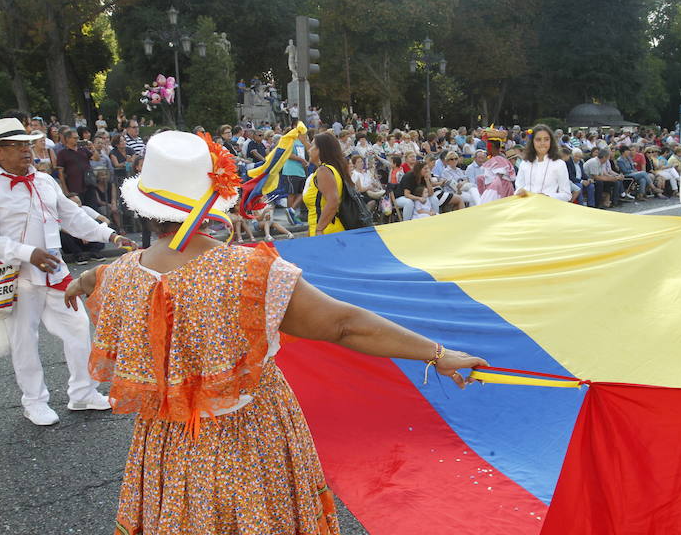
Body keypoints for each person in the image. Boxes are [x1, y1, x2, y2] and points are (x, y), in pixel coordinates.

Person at [63, 130, 486, 535]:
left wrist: (79, 282)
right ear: (213, 199)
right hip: (251, 436)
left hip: (167, 444)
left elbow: (96, 279)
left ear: (142, 207)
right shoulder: (250, 273)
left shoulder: (117, 276)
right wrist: (437, 353)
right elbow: (343, 324)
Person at [0, 118, 137, 425]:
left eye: (27, 144)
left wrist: (110, 236)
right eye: (16, 146)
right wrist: (28, 253)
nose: (26, 151)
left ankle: (83, 393)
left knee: (78, 328)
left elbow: (72, 216)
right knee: (24, 340)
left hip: (55, 274)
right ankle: (34, 401)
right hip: (15, 278)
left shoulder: (44, 180)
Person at [303, 132, 350, 236]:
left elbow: (333, 201)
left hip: (326, 232)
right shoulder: (330, 169)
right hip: (324, 229)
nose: (309, 150)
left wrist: (319, 229)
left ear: (321, 150)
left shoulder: (323, 171)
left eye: (313, 146)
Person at [515, 124, 572, 201]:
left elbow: (566, 195)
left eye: (546, 139)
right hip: (526, 208)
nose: (542, 143)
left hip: (548, 209)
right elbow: (518, 188)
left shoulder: (559, 164)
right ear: (532, 142)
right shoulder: (525, 163)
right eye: (538, 139)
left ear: (551, 141)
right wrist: (520, 192)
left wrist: (547, 197)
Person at [476, 131, 515, 204]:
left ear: (492, 147)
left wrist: (489, 195)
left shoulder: (498, 159)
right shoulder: (496, 158)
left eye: (487, 147)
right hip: (496, 191)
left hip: (500, 192)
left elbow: (498, 179)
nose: (486, 149)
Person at [281, 130, 309, 225]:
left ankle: (291, 210)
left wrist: (304, 162)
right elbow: (288, 154)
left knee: (303, 193)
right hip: (291, 171)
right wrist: (302, 160)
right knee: (292, 193)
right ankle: (291, 214)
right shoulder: (291, 141)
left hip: (300, 171)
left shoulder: (301, 142)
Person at [56, 128, 92, 198]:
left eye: (78, 138)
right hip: (74, 186)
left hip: (88, 184)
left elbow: (96, 158)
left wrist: (92, 147)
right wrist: (65, 190)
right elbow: (61, 173)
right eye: (75, 138)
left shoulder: (83, 149)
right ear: (68, 139)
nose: (77, 140)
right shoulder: (62, 153)